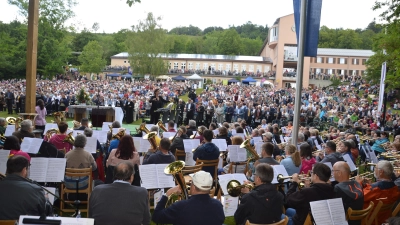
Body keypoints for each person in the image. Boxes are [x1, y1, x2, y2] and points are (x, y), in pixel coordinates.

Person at [152, 170, 224, 225]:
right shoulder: (218, 205)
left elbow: (156, 217)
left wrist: (167, 194)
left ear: (193, 187)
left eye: (191, 183)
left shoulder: (180, 206)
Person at [0, 155, 46, 220]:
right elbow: (44, 214)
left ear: (7, 169)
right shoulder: (35, 189)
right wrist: (45, 200)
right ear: (24, 170)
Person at [357, 160, 400, 225]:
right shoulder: (395, 188)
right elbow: (379, 193)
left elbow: (359, 196)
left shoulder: (375, 189)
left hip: (369, 220)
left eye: (375, 168)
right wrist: (370, 185)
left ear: (381, 172)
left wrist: (358, 184)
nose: (374, 170)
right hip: (384, 218)